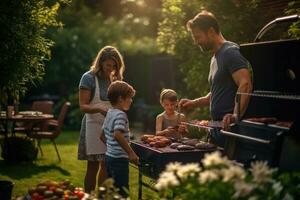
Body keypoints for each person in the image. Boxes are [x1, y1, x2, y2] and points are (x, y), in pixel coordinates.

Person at [179, 11, 252, 146]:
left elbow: (245, 83)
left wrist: (235, 115)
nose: (196, 42)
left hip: (231, 130)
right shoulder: (215, 57)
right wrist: (193, 103)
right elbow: (217, 93)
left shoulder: (230, 52)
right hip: (217, 128)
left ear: (211, 31)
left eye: (198, 37)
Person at [78, 46, 125, 193]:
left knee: (106, 164)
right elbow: (83, 106)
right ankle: (89, 196)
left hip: (109, 128)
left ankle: (102, 197)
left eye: (114, 66)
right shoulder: (88, 77)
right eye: (108, 65)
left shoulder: (115, 79)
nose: (111, 69)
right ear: (101, 62)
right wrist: (99, 109)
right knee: (92, 166)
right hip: (92, 127)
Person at [100, 80, 139, 197]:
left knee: (112, 191)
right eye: (130, 98)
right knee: (122, 192)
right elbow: (118, 134)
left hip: (109, 158)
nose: (131, 100)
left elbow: (102, 136)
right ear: (121, 98)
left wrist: (112, 148)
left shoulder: (110, 113)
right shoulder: (121, 115)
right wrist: (131, 153)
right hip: (119, 161)